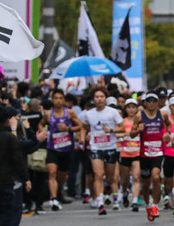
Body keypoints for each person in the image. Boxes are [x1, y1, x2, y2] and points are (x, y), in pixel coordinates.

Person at [80, 87, 125, 216]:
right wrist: (83, 138)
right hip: (96, 147)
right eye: (96, 97)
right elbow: (84, 126)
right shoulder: (89, 113)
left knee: (110, 178)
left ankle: (109, 191)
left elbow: (122, 127)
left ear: (105, 99)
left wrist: (111, 131)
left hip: (110, 147)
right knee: (98, 175)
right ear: (94, 99)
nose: (99, 99)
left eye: (101, 97)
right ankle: (100, 202)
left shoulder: (113, 112)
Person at [39, 89, 81, 211]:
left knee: (62, 177)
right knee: (52, 173)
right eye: (55, 98)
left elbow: (79, 126)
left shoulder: (70, 113)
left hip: (67, 149)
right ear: (52, 100)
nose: (58, 101)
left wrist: (68, 129)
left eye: (60, 98)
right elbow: (41, 124)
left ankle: (60, 191)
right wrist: (43, 131)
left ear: (64, 100)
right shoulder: (48, 114)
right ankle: (54, 198)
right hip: (52, 148)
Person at [129, 93, 167, 221]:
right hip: (144, 153)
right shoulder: (139, 116)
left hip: (158, 152)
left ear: (157, 102)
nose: (151, 103)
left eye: (154, 100)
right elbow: (132, 134)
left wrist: (166, 134)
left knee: (156, 177)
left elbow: (169, 125)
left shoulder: (162, 115)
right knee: (145, 183)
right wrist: (138, 130)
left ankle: (155, 205)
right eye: (149, 101)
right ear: (145, 102)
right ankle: (148, 205)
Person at [118, 99, 142, 211]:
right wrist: (125, 134)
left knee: (136, 177)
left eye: (133, 107)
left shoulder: (140, 122)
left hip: (137, 152)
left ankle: (135, 201)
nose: (131, 109)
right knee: (125, 180)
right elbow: (116, 134)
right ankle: (125, 192)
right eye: (129, 107)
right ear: (125, 109)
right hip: (125, 153)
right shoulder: (123, 121)